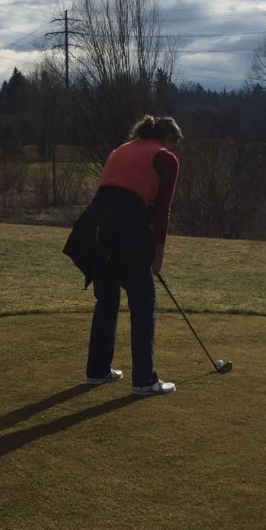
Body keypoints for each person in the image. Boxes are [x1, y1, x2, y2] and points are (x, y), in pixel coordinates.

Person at [63, 115, 183, 395]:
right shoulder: (165, 158)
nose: (174, 149)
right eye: (174, 144)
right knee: (143, 302)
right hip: (127, 229)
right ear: (168, 139)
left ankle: (97, 371)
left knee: (107, 300)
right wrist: (158, 255)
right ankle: (144, 381)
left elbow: (121, 193)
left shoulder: (121, 149)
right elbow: (162, 211)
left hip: (95, 228)